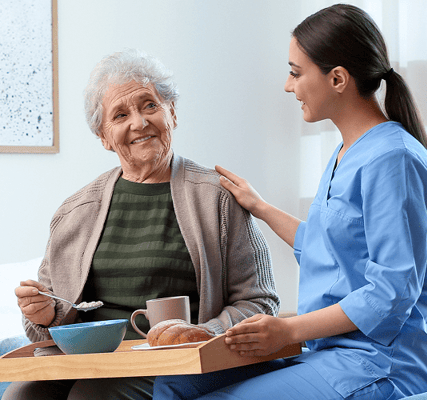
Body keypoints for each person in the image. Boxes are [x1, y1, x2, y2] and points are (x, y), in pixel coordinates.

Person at [153, 4, 427, 399]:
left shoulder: (392, 160)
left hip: (380, 363)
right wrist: (259, 206)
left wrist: (287, 329)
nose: (288, 86)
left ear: (338, 78)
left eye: (295, 72)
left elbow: (391, 292)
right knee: (176, 381)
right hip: (328, 352)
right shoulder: (347, 153)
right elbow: (327, 250)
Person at [5, 49, 279, 400]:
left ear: (172, 113)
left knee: (92, 398)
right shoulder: (74, 211)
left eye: (149, 105)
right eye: (120, 115)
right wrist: (44, 313)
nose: (138, 122)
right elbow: (43, 328)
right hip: (88, 361)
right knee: (21, 395)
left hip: (174, 363)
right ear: (104, 137)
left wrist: (202, 333)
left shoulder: (217, 198)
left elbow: (260, 301)